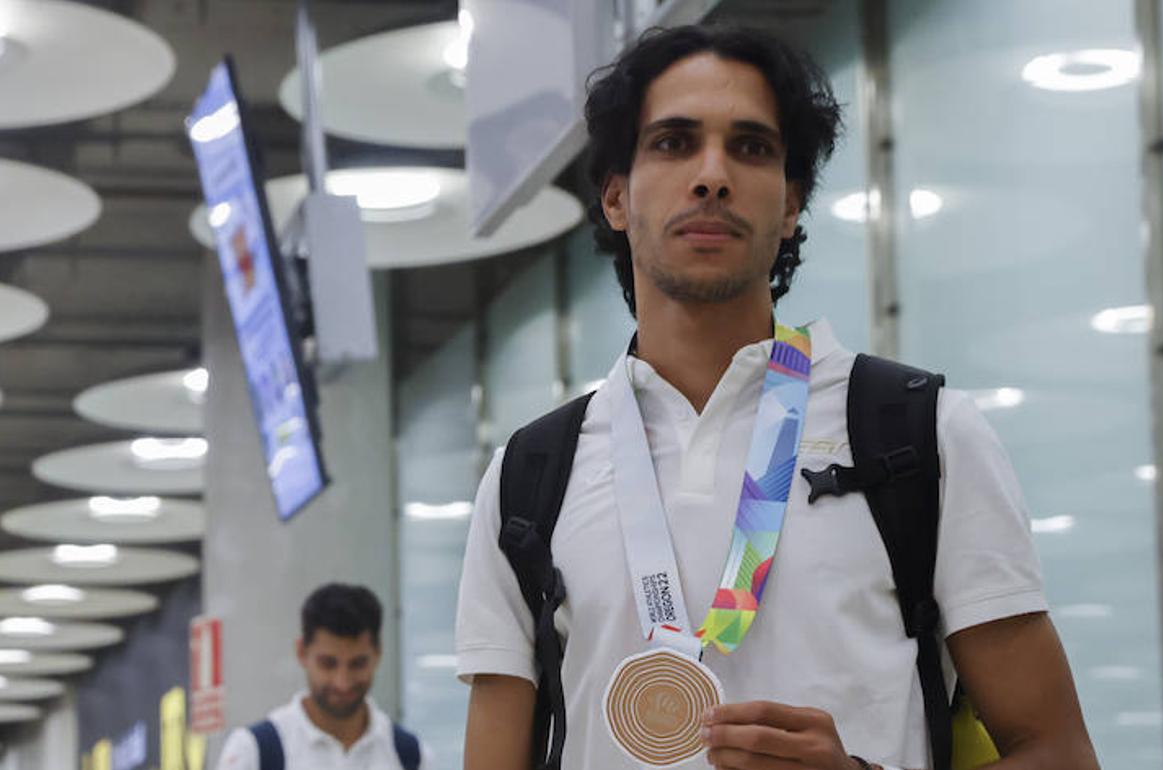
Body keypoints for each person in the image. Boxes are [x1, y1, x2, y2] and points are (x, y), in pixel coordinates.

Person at [455, 24, 1100, 770]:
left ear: (791, 204)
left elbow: (1059, 751)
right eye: (673, 142)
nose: (712, 175)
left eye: (751, 147)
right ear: (615, 198)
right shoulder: (528, 477)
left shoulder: (922, 435)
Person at [215, 583, 420, 770]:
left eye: (357, 664)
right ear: (301, 652)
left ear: (378, 654)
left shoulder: (410, 756)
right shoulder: (253, 752)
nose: (343, 682)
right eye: (328, 664)